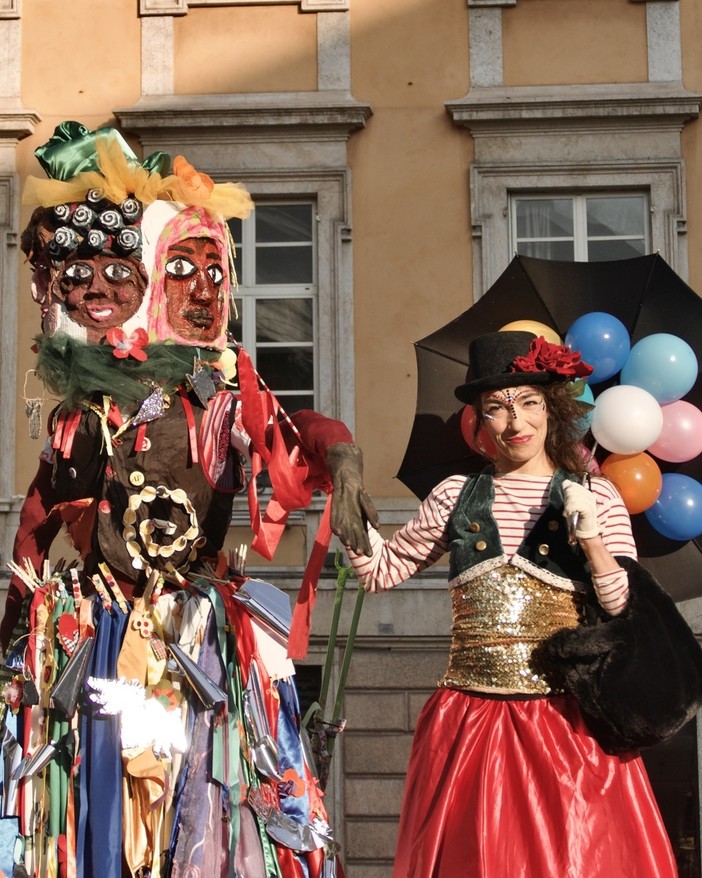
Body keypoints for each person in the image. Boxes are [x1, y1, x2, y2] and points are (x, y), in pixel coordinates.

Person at [2, 121, 377, 878]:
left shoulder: (225, 387)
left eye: (215, 268)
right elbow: (40, 516)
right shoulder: (83, 405)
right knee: (94, 807)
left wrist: (341, 453)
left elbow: (292, 430)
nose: (204, 288)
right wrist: (14, 627)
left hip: (195, 632)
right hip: (92, 632)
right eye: (181, 267)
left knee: (203, 796)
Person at [346, 330, 681, 877]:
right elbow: (382, 572)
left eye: (528, 403)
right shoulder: (456, 495)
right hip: (470, 722)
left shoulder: (598, 495)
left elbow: (622, 607)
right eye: (497, 408)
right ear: (480, 420)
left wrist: (592, 539)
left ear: (551, 409)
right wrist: (349, 505)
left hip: (563, 725)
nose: (515, 422)